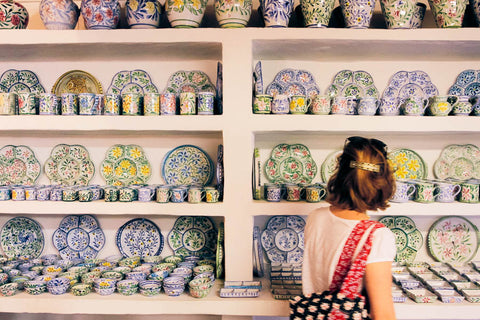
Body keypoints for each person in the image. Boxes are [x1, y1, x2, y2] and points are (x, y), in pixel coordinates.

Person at [302, 136, 397, 320]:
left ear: (340, 174)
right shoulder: (377, 236)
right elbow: (383, 314)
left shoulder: (316, 217)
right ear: (382, 181)